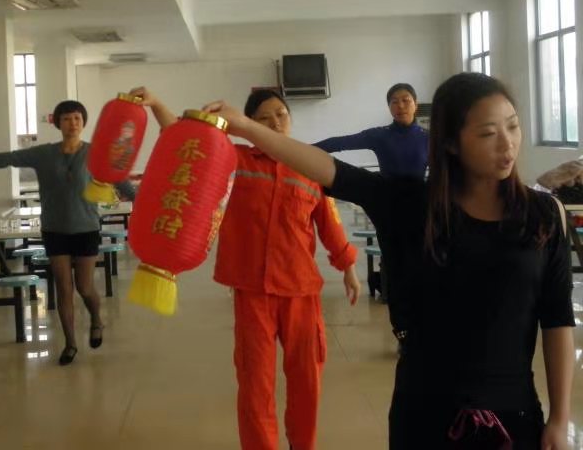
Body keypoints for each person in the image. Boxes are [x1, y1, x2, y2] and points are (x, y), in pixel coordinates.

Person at [203, 72, 574, 449]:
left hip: (514, 416)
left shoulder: (543, 216)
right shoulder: (413, 206)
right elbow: (329, 167)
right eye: (488, 133)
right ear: (450, 142)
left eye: (513, 126)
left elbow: (557, 319)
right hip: (426, 413)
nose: (507, 143)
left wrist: (560, 418)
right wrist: (246, 128)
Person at [132, 87, 361, 450]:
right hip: (252, 290)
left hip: (301, 290)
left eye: (281, 115)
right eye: (264, 118)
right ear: (249, 123)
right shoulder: (234, 160)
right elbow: (186, 144)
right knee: (255, 383)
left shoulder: (308, 166)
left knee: (307, 379)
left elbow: (328, 222)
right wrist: (157, 104)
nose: (275, 123)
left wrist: (347, 266)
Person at [0, 100, 135, 366]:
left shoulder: (95, 153)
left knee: (84, 287)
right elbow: (10, 158)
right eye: (66, 119)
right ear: (57, 123)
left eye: (77, 118)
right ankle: (70, 344)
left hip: (86, 228)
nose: (72, 123)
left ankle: (96, 320)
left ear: (83, 123)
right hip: (54, 229)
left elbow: (119, 178)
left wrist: (141, 200)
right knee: (64, 288)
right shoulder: (43, 154)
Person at [314, 83, 428, 179]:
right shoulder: (380, 135)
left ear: (416, 105)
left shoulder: (429, 137)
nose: (401, 106)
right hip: (386, 194)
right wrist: (305, 150)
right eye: (394, 102)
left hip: (420, 196)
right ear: (389, 107)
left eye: (405, 100)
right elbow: (339, 143)